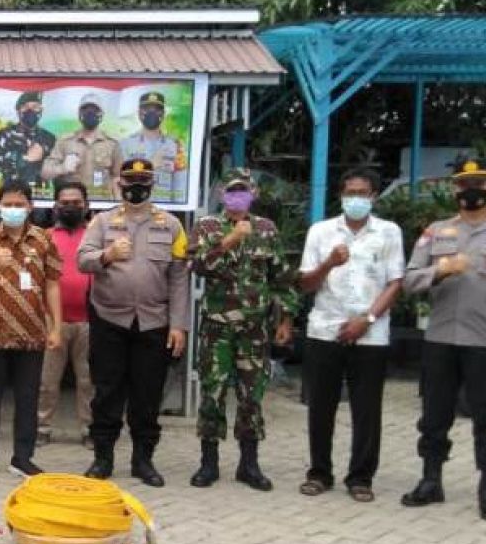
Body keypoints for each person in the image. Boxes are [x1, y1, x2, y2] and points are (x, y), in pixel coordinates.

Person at [78, 158, 189, 487]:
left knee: (147, 394)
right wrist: (107, 255)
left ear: (152, 184)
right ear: (119, 184)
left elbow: (179, 278)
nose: (136, 186)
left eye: (143, 181)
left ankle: (143, 460)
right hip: (110, 319)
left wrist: (178, 324)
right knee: (107, 391)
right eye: (130, 181)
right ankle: (103, 458)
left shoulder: (170, 225)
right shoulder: (102, 222)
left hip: (154, 322)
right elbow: (82, 260)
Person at [297, 168, 403, 503]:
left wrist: (368, 318)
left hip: (370, 334)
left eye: (363, 193)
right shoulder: (321, 231)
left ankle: (361, 477)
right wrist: (328, 263)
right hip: (324, 330)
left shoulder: (388, 232)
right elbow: (305, 284)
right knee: (321, 406)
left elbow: (395, 282)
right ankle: (319, 473)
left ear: (373, 196)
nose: (356, 199)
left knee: (367, 409)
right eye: (350, 192)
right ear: (341, 196)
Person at [189, 170, 298, 490]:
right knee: (213, 392)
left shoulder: (266, 229)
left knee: (252, 395)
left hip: (255, 328)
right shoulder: (207, 226)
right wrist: (229, 242)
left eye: (243, 191)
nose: (237, 196)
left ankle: (249, 465)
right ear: (222, 194)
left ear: (254, 193)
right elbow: (197, 267)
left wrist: (286, 318)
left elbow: (281, 277)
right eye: (232, 191)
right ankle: (208, 463)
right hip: (217, 328)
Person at [400, 158, 486, 517]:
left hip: (483, 340)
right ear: (454, 190)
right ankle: (431, 479)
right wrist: (439, 271)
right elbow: (408, 280)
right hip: (440, 338)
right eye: (465, 184)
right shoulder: (436, 232)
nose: (472, 190)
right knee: (434, 414)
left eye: (479, 183)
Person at [0, 181, 62, 479]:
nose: (14, 209)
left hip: (32, 335)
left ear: (30, 207)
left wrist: (56, 327)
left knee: (28, 399)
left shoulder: (43, 240)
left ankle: (23, 458)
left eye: (20, 205)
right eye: (8, 204)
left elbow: (53, 284)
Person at [37, 181, 93, 447]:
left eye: (76, 203)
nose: (70, 207)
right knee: (48, 381)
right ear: (55, 206)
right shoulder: (44, 236)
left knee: (88, 381)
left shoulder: (95, 235)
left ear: (86, 206)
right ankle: (42, 428)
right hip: (52, 321)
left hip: (90, 320)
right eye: (65, 203)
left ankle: (89, 430)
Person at [42, 95, 122, 201]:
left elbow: (118, 178)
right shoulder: (65, 142)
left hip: (102, 204)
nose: (90, 113)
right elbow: (45, 173)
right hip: (73, 204)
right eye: (85, 110)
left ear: (101, 114)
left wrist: (118, 204)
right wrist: (62, 168)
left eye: (94, 110)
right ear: (79, 114)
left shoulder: (112, 144)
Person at [119, 91, 187, 200]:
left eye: (157, 109)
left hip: (165, 209)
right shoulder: (125, 145)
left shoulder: (175, 145)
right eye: (147, 109)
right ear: (139, 113)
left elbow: (180, 185)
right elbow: (122, 179)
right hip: (136, 205)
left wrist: (178, 209)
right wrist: (151, 165)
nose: (152, 112)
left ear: (163, 113)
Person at [0, 92, 56, 186]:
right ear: (18, 110)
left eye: (35, 107)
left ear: (41, 110)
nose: (30, 111)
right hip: (12, 190)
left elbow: (55, 168)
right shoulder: (6, 134)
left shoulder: (49, 138)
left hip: (42, 192)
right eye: (25, 107)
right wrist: (23, 159)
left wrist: (43, 158)